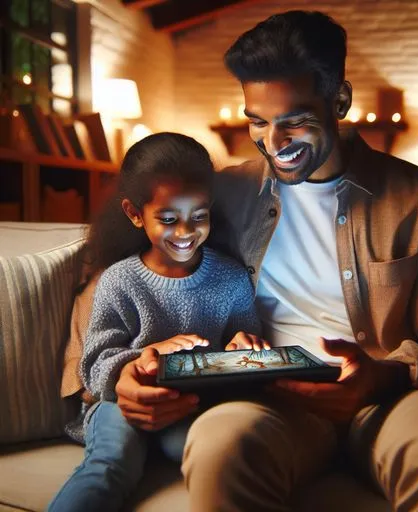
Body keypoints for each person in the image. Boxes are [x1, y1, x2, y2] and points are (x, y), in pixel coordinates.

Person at [60, 10, 418, 512]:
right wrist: (122, 375)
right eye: (259, 122)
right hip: (270, 399)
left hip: (392, 395)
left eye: (294, 121)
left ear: (340, 101)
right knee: (221, 444)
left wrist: (385, 375)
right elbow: (114, 276)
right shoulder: (224, 193)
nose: (274, 142)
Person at [48, 132, 267, 512]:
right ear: (135, 213)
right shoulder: (120, 280)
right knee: (109, 465)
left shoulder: (231, 279)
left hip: (193, 404)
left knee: (218, 456)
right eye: (168, 219)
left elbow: (245, 349)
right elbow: (96, 364)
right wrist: (145, 355)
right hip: (120, 404)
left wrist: (243, 344)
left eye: (199, 216)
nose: (185, 232)